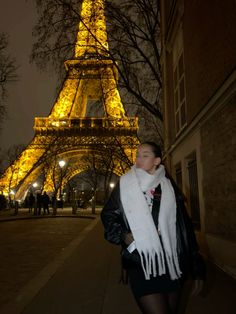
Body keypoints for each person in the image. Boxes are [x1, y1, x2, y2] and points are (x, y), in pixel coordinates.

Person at [101, 142, 206, 314]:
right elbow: (108, 215)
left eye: (145, 155)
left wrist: (197, 268)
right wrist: (123, 235)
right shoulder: (124, 185)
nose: (138, 159)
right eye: (137, 155)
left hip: (172, 262)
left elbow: (185, 229)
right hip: (142, 263)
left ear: (157, 160)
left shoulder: (169, 188)